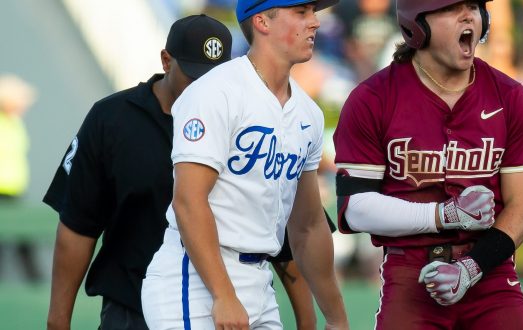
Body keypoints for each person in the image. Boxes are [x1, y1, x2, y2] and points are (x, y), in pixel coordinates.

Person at [333, 1, 523, 329]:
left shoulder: (510, 96)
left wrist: (471, 268)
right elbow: (355, 208)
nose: (467, 15)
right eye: (451, 7)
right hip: (410, 275)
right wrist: (441, 215)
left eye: (474, 6)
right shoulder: (372, 99)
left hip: (490, 272)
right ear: (416, 23)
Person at [141, 1, 349, 329]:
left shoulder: (308, 113)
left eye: (313, 12)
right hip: (195, 279)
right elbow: (189, 201)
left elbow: (308, 226)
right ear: (262, 21)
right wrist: (223, 295)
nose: (315, 23)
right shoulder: (216, 91)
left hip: (258, 280)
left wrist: (336, 318)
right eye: (301, 12)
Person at [43, 15, 233, 330]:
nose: (204, 88)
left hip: (220, 308)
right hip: (133, 310)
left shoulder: (240, 122)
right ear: (166, 61)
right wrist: (58, 320)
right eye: (194, 75)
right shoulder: (112, 118)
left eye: (214, 77)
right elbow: (78, 225)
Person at [0, 74, 39, 282]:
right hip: (2, 194)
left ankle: (36, 286)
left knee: (24, 244)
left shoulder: (14, 123)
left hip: (14, 193)